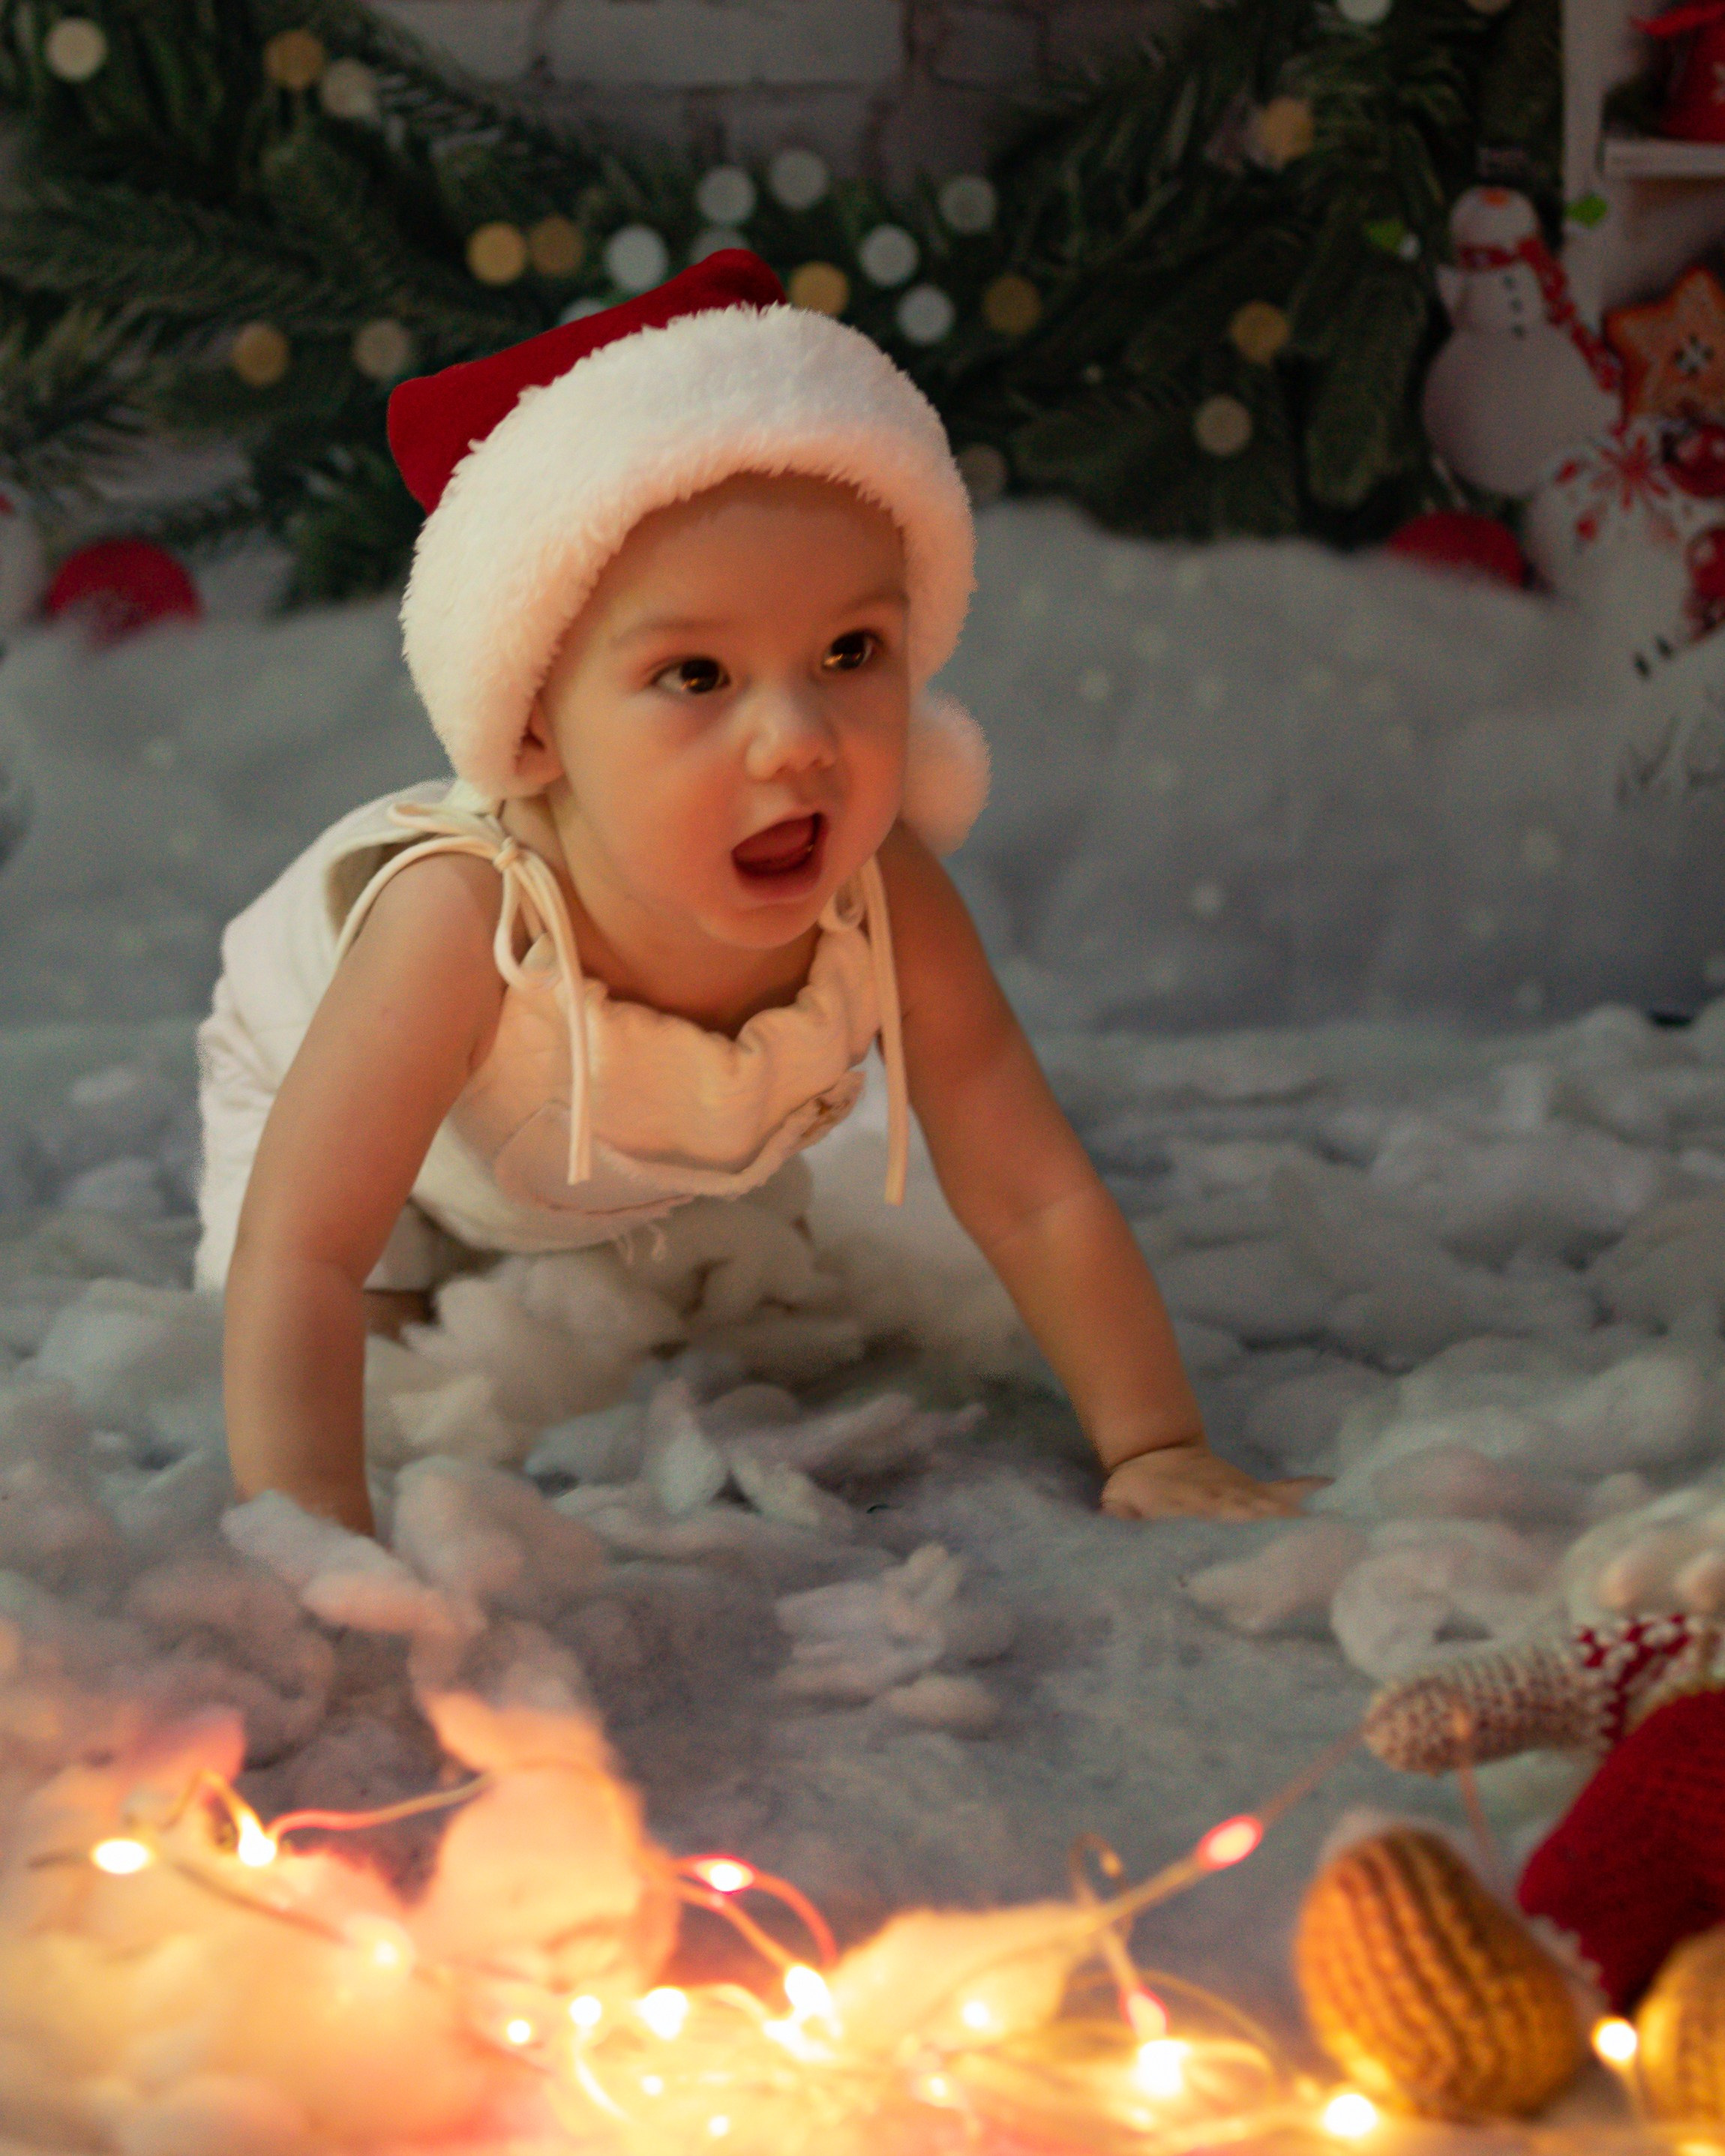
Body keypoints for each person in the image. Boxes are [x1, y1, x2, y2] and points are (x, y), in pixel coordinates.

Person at [196, 250, 1313, 1537]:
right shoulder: (455, 924)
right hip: (332, 1082)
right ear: (532, 722)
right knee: (397, 1334)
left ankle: (621, 1193)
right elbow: (304, 1247)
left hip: (595, 1150)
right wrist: (312, 1539)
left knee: (700, 1272)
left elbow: (1032, 1189)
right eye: (697, 676)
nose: (798, 742)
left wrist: (1157, 1442)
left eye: (850, 651)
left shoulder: (887, 898)